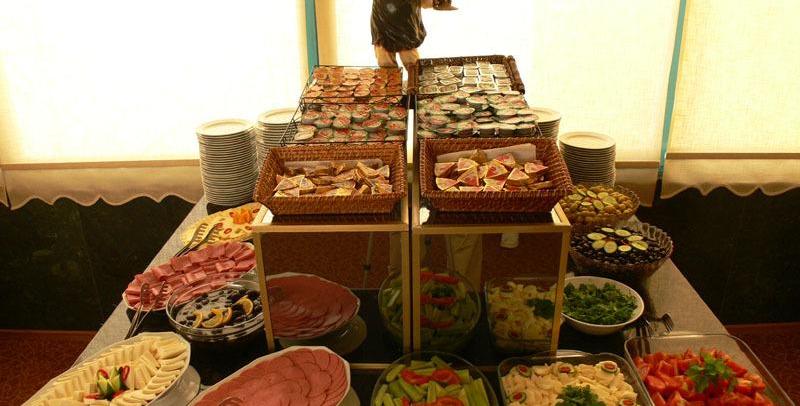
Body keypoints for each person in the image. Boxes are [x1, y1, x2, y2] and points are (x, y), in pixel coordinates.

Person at [371, 0, 454, 70]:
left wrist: (438, 2)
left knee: (412, 65)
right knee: (386, 65)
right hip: (383, 24)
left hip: (405, 26)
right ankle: (392, 84)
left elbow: (426, 3)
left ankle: (415, 82)